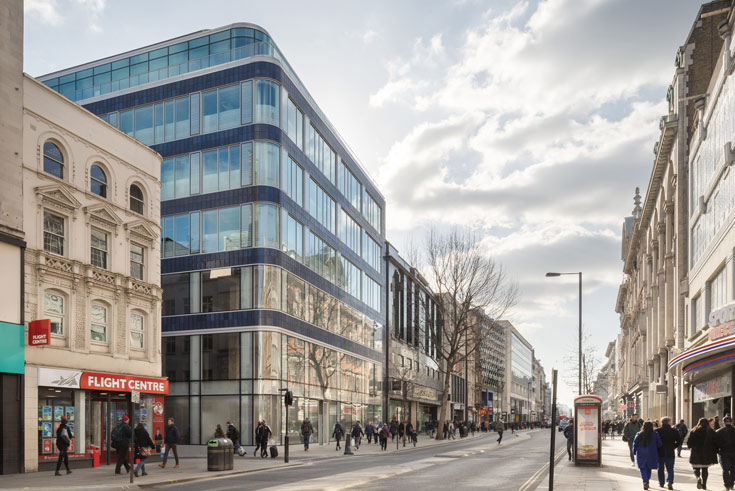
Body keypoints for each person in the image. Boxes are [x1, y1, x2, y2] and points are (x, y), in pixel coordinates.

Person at [688, 417, 719, 490]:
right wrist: (716, 450)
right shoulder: (711, 431)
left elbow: (689, 442)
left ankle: (698, 477)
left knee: (696, 467)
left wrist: (691, 447)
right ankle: (704, 484)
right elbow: (716, 442)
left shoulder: (694, 431)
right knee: (705, 469)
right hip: (707, 453)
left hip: (696, 452)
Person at [634, 421, 663, 490]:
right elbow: (659, 444)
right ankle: (647, 480)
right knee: (649, 468)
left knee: (642, 468)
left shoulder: (639, 434)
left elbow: (635, 444)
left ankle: (645, 480)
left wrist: (634, 452)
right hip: (652, 453)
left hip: (641, 453)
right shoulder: (655, 434)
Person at [655, 417, 681, 490]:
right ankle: (670, 482)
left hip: (660, 452)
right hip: (670, 452)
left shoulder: (657, 431)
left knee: (660, 468)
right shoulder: (674, 431)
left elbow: (655, 442)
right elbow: (679, 441)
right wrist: (673, 446)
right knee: (670, 468)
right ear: (669, 423)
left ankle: (661, 482)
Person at [715, 415, 735, 491]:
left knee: (725, 470)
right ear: (731, 422)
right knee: (733, 469)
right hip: (734, 452)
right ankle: (732, 484)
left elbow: (715, 443)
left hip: (723, 452)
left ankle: (727, 486)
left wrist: (717, 451)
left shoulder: (719, 431)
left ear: (723, 422)